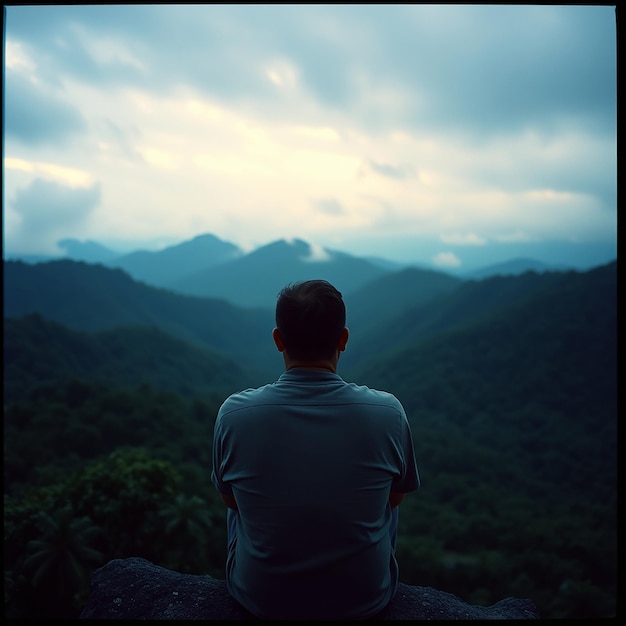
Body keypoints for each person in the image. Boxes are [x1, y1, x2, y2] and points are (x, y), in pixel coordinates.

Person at [211, 279, 420, 620]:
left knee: (241, 502)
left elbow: (231, 501)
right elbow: (394, 500)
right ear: (344, 339)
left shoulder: (234, 414)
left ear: (278, 340)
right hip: (364, 600)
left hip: (261, 600)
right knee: (383, 499)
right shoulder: (388, 413)